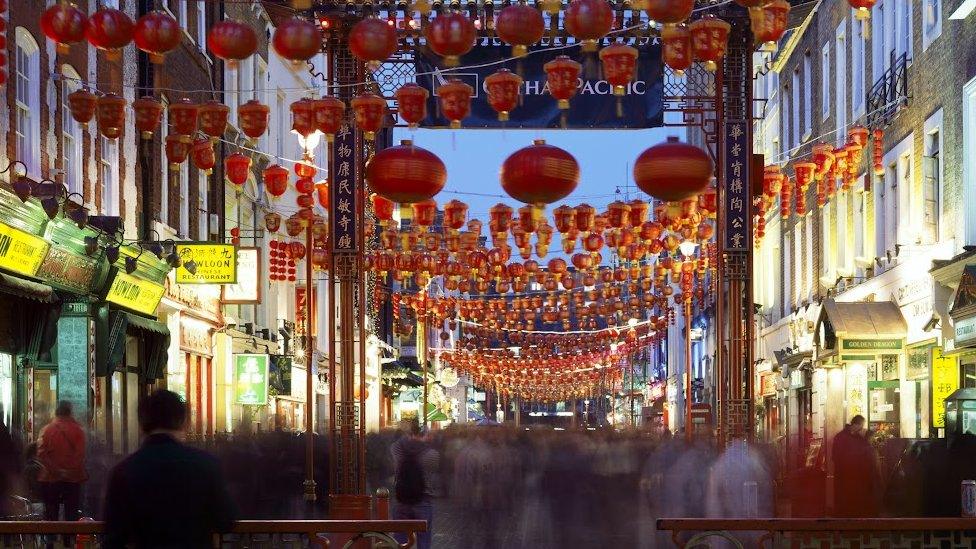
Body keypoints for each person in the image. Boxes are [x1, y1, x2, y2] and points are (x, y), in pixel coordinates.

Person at [103, 390, 235, 548]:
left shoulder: (124, 471)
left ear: (142, 423)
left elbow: (114, 535)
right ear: (182, 421)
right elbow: (225, 520)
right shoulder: (206, 465)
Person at [391, 418, 439, 549]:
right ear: (424, 436)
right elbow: (433, 474)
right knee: (424, 539)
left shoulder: (396, 449)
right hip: (423, 499)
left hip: (402, 498)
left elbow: (393, 468)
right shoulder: (432, 454)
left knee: (400, 540)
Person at [37, 401, 86, 522]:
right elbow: (80, 455)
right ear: (70, 412)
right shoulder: (78, 430)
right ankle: (69, 539)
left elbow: (41, 454)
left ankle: (50, 539)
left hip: (50, 478)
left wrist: (56, 470)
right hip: (73, 479)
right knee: (71, 513)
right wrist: (68, 471)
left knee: (51, 513)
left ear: (56, 412)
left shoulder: (47, 430)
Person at [831, 415, 881, 517]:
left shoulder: (858, 438)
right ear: (856, 425)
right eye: (861, 426)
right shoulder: (841, 437)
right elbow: (836, 457)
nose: (862, 429)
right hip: (845, 478)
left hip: (856, 480)